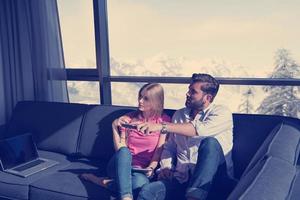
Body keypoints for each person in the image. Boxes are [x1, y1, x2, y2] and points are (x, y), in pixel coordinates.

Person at [135, 74, 234, 200]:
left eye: (193, 92)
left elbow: (199, 130)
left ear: (207, 97)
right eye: (188, 89)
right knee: (149, 191)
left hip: (213, 182)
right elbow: (169, 147)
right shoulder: (179, 115)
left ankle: (195, 196)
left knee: (210, 143)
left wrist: (162, 126)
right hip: (182, 179)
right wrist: (166, 167)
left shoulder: (221, 113)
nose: (187, 94)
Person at [81, 83, 171, 200]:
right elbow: (120, 150)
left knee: (140, 185)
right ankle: (126, 197)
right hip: (119, 165)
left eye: (146, 98)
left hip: (140, 170)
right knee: (125, 151)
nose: (140, 101)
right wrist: (114, 126)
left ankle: (99, 180)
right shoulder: (128, 118)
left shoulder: (164, 121)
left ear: (156, 101)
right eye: (140, 96)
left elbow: (159, 151)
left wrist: (151, 167)